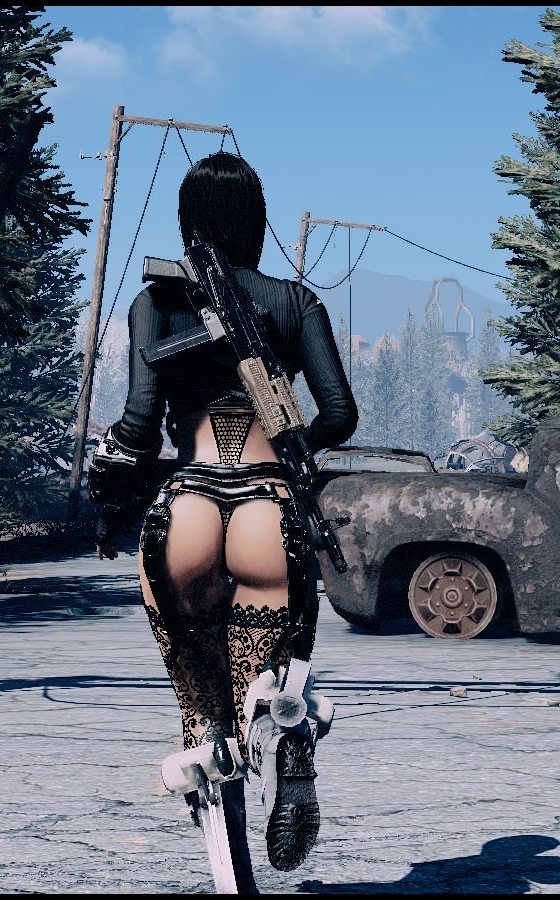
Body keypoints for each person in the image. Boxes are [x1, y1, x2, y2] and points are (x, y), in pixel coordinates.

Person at [87, 151, 357, 879]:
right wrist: (289, 442)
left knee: (201, 702)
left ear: (188, 223)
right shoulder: (295, 302)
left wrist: (110, 481)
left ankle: (209, 753)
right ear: (257, 222)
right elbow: (340, 414)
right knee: (267, 680)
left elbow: (139, 424)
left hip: (187, 509)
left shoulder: (154, 303)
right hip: (269, 506)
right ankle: (284, 729)